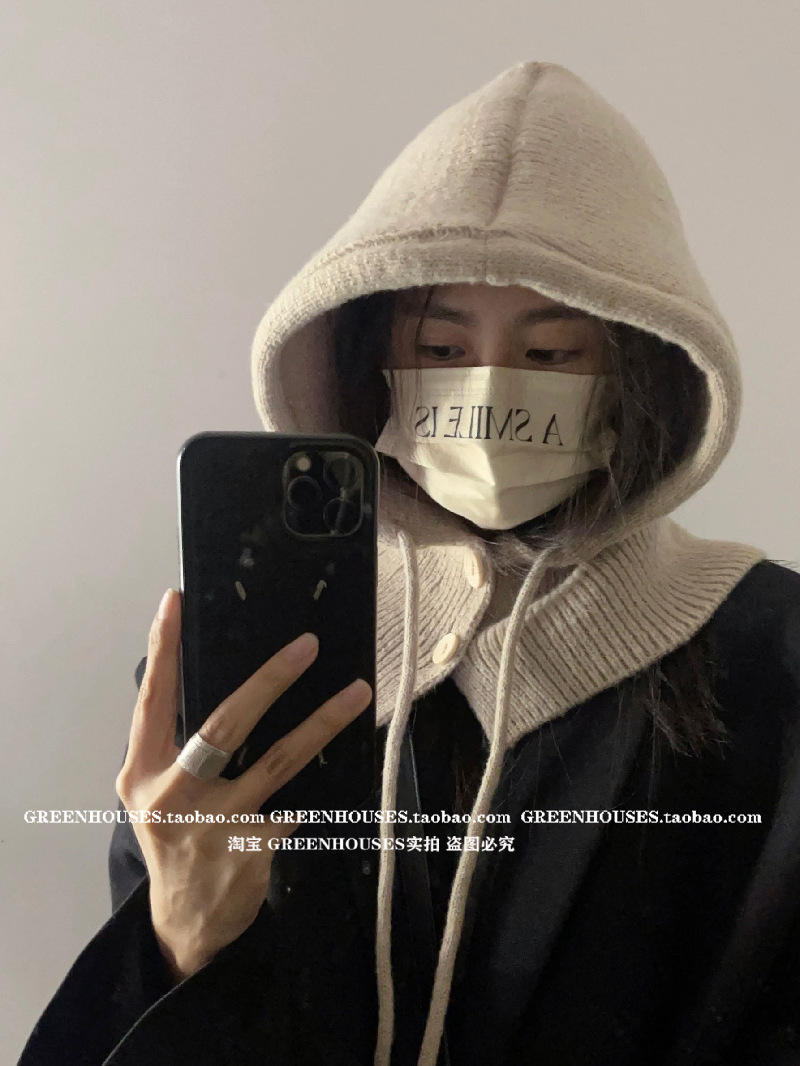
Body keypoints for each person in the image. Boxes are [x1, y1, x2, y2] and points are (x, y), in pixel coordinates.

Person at [17, 59, 800, 1066]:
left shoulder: (771, 652)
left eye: (551, 354)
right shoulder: (243, 659)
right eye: (439, 347)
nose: (490, 388)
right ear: (366, 359)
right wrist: (175, 939)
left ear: (639, 371)